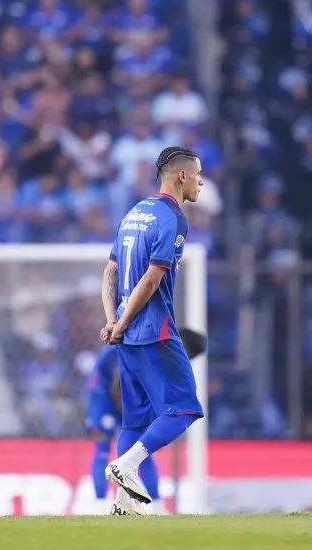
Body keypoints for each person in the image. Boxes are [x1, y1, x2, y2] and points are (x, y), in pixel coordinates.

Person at [99, 146, 204, 509]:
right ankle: (127, 465)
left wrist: (112, 322)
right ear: (181, 176)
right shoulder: (173, 218)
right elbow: (151, 279)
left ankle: (123, 503)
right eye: (198, 174)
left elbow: (110, 271)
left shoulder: (134, 213)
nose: (201, 182)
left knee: (135, 418)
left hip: (126, 338)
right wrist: (125, 320)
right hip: (154, 331)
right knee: (185, 408)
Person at [87, 328, 207, 515]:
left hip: (127, 395)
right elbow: (119, 381)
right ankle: (99, 505)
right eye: (189, 356)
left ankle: (154, 505)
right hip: (102, 395)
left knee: (141, 448)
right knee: (103, 446)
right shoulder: (147, 345)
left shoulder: (163, 350)